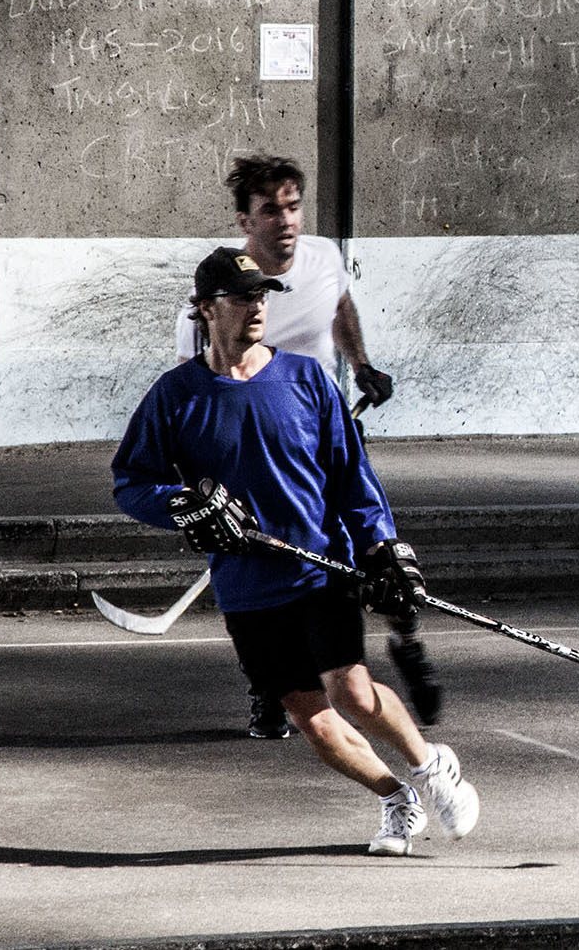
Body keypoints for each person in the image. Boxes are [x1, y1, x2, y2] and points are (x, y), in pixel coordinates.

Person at [115, 248, 481, 857]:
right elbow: (132, 480)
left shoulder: (307, 379)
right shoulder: (175, 397)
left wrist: (382, 547)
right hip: (247, 585)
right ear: (206, 309)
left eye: (263, 296)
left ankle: (430, 767)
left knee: (352, 693)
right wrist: (182, 507)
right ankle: (397, 798)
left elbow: (351, 475)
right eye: (242, 297)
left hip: (320, 568)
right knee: (312, 720)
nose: (257, 306)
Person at [173, 154, 439, 741]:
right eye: (270, 210)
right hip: (254, 447)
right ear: (244, 220)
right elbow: (202, 388)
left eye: (293, 207)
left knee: (370, 548)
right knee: (264, 573)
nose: (286, 221)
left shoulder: (323, 257)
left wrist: (361, 363)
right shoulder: (215, 295)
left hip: (323, 428)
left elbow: (340, 305)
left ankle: (402, 636)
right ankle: (271, 689)